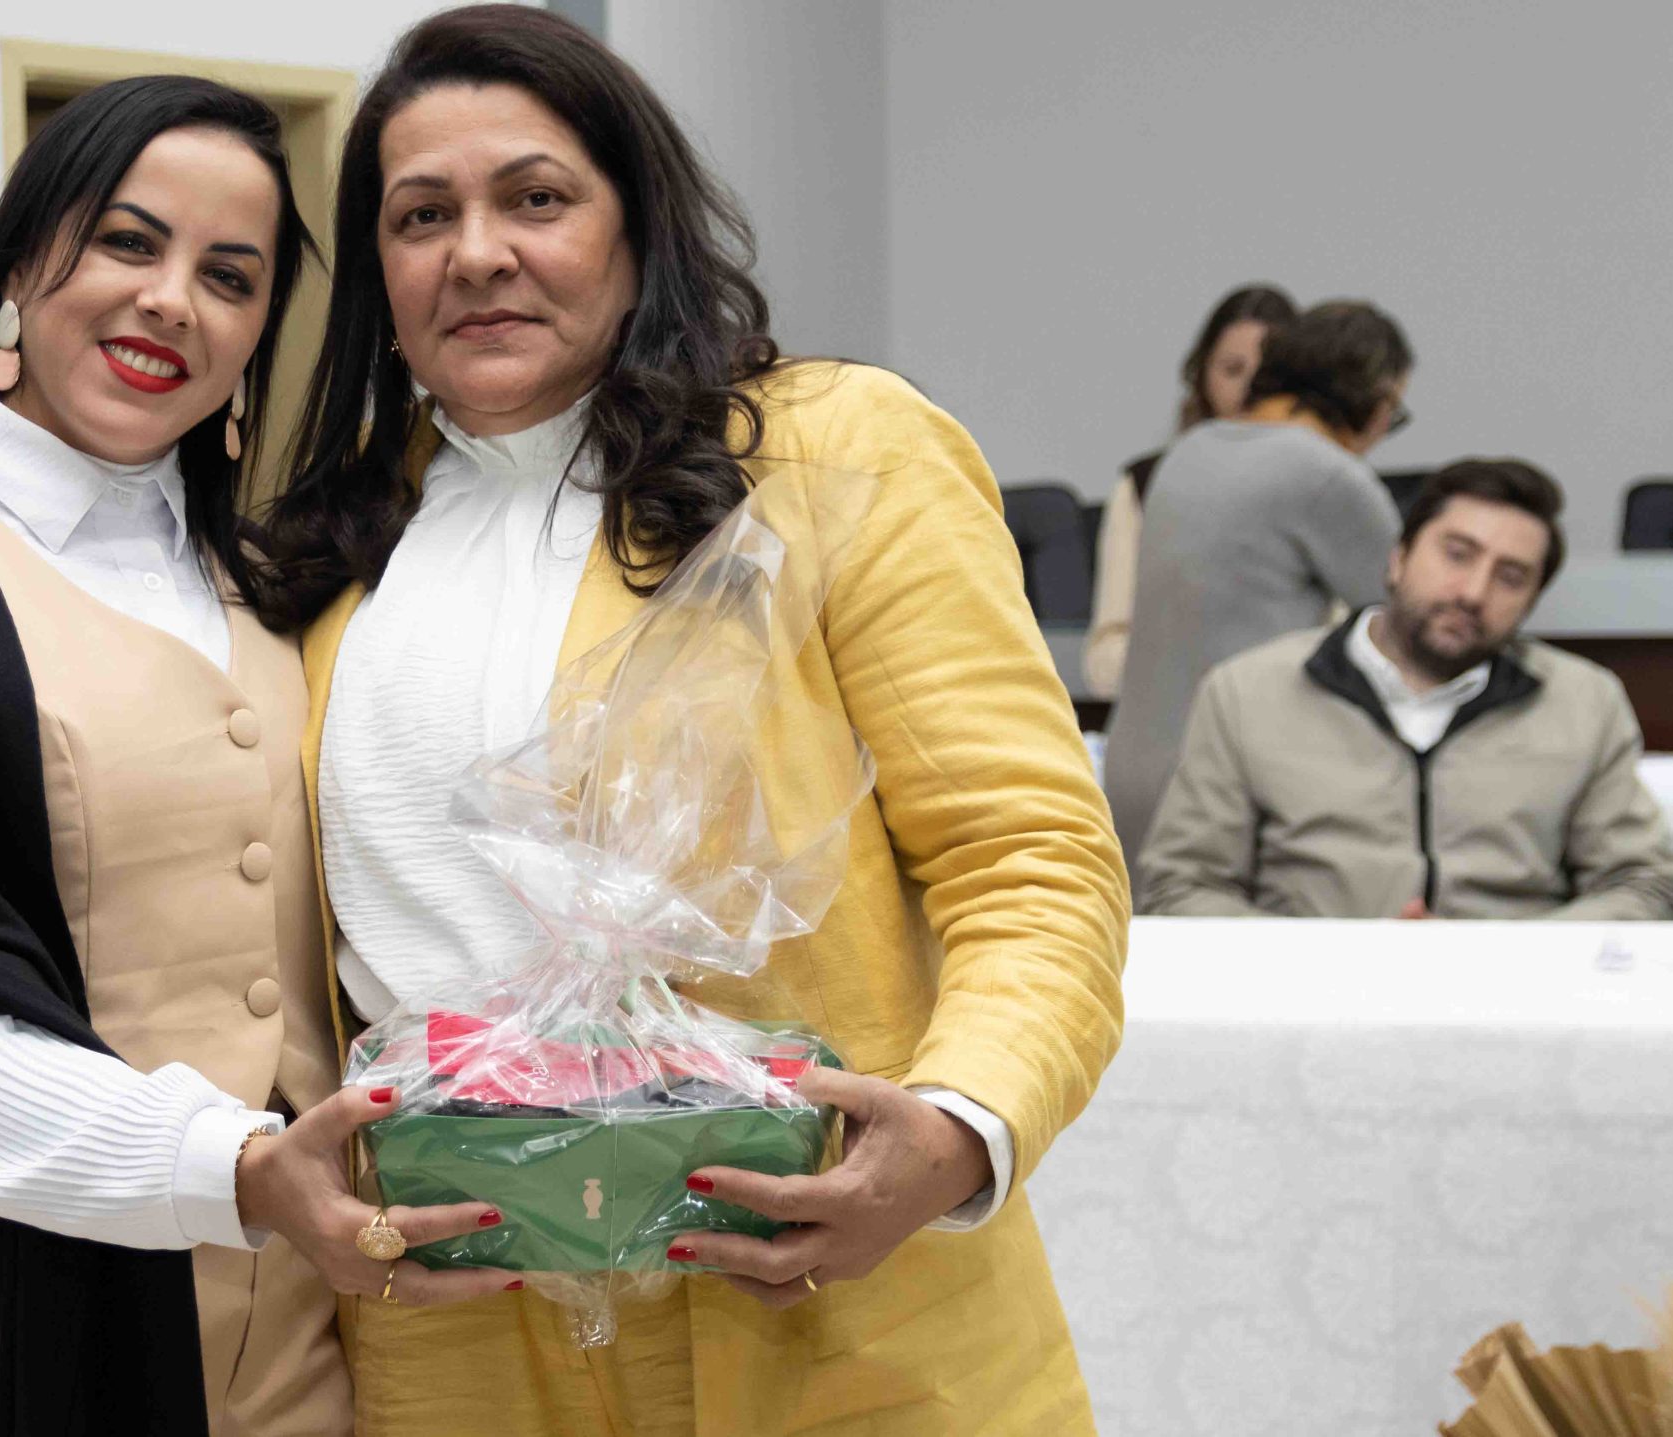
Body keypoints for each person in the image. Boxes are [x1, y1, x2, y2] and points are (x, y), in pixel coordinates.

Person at [253, 8, 1129, 1433]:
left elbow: (1028, 858)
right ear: (379, 271)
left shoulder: (830, 452)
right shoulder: (328, 548)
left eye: (536, 198)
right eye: (422, 216)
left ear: (637, 224)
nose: (477, 252)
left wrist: (963, 1126)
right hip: (456, 1322)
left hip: (816, 1287)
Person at [0, 77, 508, 1437]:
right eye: (127, 243)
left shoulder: (274, 575)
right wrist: (241, 1170)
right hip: (0, 1338)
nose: (170, 302)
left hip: (307, 1331)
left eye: (230, 276)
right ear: (21, 260)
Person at [1139, 459, 1673, 920]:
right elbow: (1179, 888)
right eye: (1457, 554)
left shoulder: (1584, 702)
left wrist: (1504, 957)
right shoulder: (1248, 692)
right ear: (1399, 558)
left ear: (1531, 602)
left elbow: (1647, 889)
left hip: (1515, 999)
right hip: (1309, 998)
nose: (1473, 592)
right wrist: (1336, 961)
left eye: (1510, 577)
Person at [1101, 299, 1415, 869]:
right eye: (1393, 411)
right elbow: (1412, 621)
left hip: (1133, 776)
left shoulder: (1188, 452)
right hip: (1233, 785)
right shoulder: (1327, 474)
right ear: (1372, 398)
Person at [1084, 283, 1297, 696]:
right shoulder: (1144, 487)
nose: (1250, 391)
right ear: (1202, 376)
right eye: (1233, 370)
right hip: (1179, 713)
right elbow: (1103, 665)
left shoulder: (1324, 491)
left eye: (1270, 375)